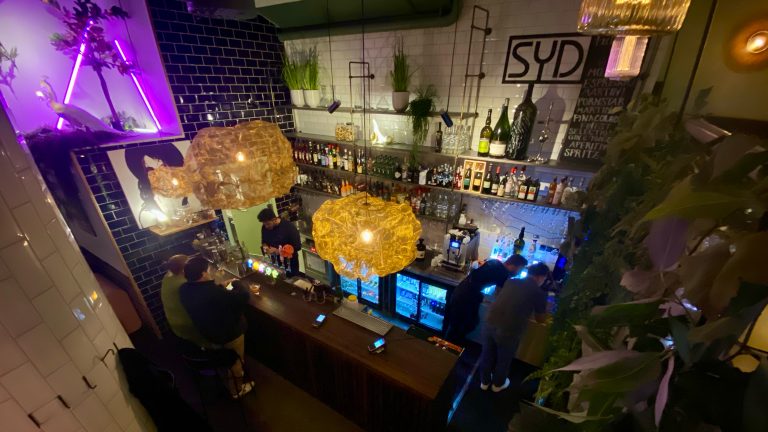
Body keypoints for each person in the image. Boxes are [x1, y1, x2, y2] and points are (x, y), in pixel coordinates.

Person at [179, 257, 253, 398]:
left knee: (222, 357)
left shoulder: (184, 289)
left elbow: (205, 294)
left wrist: (220, 286)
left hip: (208, 333)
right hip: (230, 335)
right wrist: (237, 283)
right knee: (236, 361)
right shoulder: (214, 293)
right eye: (209, 270)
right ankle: (236, 390)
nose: (211, 272)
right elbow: (243, 297)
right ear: (203, 274)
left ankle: (225, 378)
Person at [479, 262, 550, 393]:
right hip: (508, 330)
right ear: (540, 277)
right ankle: (497, 385)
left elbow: (500, 295)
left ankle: (484, 382)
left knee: (487, 354)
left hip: (490, 322)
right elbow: (540, 319)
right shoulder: (539, 292)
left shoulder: (511, 281)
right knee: (504, 359)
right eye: (544, 279)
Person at [444, 254, 528, 346]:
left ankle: (452, 346)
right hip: (465, 297)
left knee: (466, 324)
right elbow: (500, 294)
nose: (519, 273)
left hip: (462, 290)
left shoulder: (495, 262)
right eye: (519, 269)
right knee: (461, 326)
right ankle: (448, 348)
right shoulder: (503, 273)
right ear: (513, 265)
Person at [160, 255, 211, 349]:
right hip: (189, 327)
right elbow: (207, 299)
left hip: (176, 324)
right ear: (184, 270)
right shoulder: (184, 284)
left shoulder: (168, 276)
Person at [258, 207, 301, 277]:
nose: (266, 226)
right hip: (274, 263)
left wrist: (278, 251)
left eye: (268, 224)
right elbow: (264, 241)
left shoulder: (289, 227)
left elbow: (297, 246)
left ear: (274, 219)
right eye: (264, 224)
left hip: (289, 264)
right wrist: (265, 247)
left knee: (291, 281)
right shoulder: (265, 227)